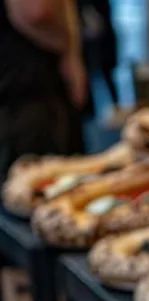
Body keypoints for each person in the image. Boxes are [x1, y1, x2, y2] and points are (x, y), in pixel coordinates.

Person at [0, 0, 87, 174]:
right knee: (38, 186)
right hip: (27, 91)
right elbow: (36, 12)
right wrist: (68, 49)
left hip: (22, 90)